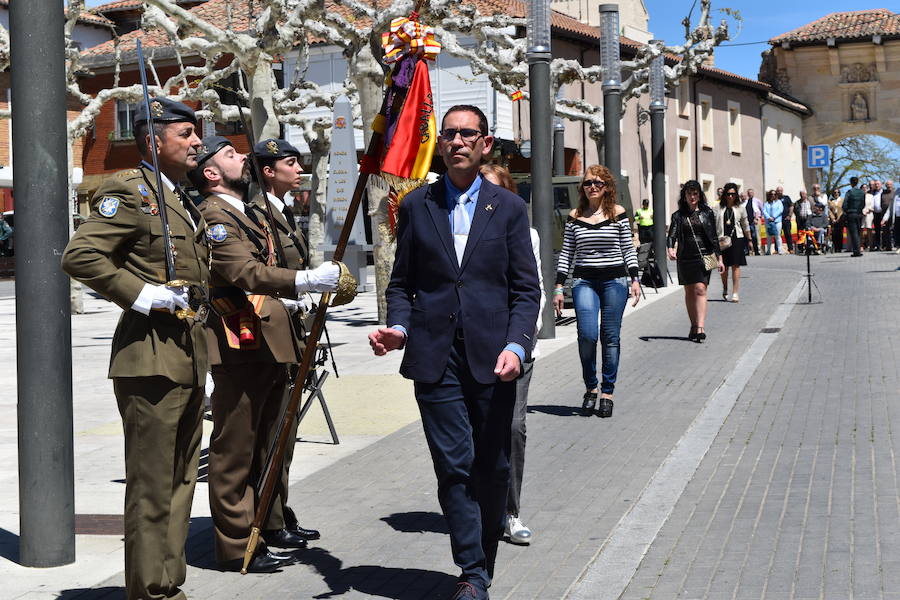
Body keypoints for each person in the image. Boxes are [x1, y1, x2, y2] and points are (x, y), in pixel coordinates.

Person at [368, 105, 540, 600]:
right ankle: (471, 573)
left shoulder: (508, 208)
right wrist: (398, 327)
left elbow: (525, 290)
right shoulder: (418, 205)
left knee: (492, 467)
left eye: (468, 134)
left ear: (486, 143)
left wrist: (516, 345)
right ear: (441, 144)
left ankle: (483, 556)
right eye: (450, 134)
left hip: (493, 358)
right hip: (435, 356)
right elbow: (401, 284)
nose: (458, 141)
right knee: (454, 465)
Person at [61, 98, 209, 600]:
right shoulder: (129, 192)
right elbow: (80, 254)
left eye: (196, 134)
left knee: (181, 479)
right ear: (154, 140)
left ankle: (169, 583)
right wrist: (145, 296)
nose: (196, 142)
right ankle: (150, 591)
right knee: (151, 484)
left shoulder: (181, 198)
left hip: (188, 353)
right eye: (185, 133)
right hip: (149, 357)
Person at [189, 136, 343, 572]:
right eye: (232, 156)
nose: (244, 159)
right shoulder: (215, 215)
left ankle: (264, 523)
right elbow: (243, 271)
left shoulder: (242, 213)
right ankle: (238, 544)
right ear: (212, 173)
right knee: (236, 448)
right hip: (238, 342)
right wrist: (306, 281)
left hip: (266, 340)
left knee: (268, 442)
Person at [250, 137, 321, 544]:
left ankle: (279, 508)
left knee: (285, 432)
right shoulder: (258, 215)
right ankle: (270, 517)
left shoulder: (285, 213)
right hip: (271, 335)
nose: (298, 169)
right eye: (290, 163)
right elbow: (258, 274)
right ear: (268, 171)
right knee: (273, 433)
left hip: (293, 333)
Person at [479, 163, 544, 546]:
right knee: (478, 428)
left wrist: (524, 338)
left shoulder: (526, 232)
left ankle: (509, 511)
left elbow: (530, 285)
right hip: (475, 343)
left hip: (516, 343)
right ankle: (480, 505)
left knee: (513, 427)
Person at [554, 164, 640, 417]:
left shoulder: (618, 213)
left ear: (607, 187)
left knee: (610, 337)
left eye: (598, 183)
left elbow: (627, 248)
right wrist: (558, 287)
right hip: (584, 282)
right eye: (588, 183)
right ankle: (591, 386)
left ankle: (607, 391)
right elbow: (567, 253)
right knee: (587, 336)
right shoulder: (574, 216)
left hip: (615, 281)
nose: (592, 187)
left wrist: (634, 279)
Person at [666, 180, 723, 342]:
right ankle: (693, 325)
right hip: (685, 256)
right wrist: (670, 248)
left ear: (700, 195)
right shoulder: (678, 216)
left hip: (705, 255)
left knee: (700, 289)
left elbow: (713, 237)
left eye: (695, 193)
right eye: (689, 193)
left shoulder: (707, 212)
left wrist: (719, 258)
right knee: (689, 291)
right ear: (684, 196)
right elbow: (672, 235)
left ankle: (700, 327)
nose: (692, 196)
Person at [714, 183, 751, 302]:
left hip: (737, 239)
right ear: (724, 194)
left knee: (736, 265)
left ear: (736, 195)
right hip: (722, 239)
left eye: (733, 194)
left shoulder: (740, 208)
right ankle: (725, 288)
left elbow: (745, 225)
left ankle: (735, 292)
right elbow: (713, 225)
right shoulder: (718, 208)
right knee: (723, 266)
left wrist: (749, 240)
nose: (730, 196)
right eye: (728, 194)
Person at [843, 176, 866, 257]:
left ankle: (856, 251)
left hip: (851, 213)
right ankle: (858, 249)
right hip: (859, 214)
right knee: (858, 232)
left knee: (854, 233)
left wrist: (846, 212)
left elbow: (844, 205)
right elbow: (863, 204)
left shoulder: (849, 192)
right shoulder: (862, 192)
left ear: (851, 183)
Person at [763, 189, 784, 255]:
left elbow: (780, 210)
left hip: (777, 221)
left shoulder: (779, 202)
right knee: (769, 236)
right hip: (768, 222)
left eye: (774, 194)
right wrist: (769, 217)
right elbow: (764, 211)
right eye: (771, 194)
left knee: (777, 236)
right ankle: (768, 250)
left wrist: (773, 217)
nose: (773, 195)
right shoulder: (766, 203)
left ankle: (780, 250)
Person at [879, 180, 897, 252]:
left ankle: (896, 244)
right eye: (887, 185)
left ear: (892, 185)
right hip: (884, 214)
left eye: (890, 184)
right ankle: (888, 246)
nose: (889, 186)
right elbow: (881, 203)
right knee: (886, 231)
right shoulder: (883, 193)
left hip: (893, 214)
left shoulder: (895, 193)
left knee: (894, 230)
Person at [744, 188, 762, 256]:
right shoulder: (746, 201)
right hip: (747, 221)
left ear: (753, 193)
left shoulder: (756, 201)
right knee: (748, 237)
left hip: (755, 220)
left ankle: (757, 250)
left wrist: (757, 218)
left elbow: (760, 210)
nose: (750, 194)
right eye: (749, 193)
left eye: (751, 192)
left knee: (756, 236)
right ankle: (748, 251)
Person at [776, 186, 794, 253]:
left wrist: (789, 215)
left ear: (782, 191)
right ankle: (777, 249)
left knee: (788, 234)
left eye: (780, 190)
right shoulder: (775, 199)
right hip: (777, 220)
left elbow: (791, 206)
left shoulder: (786, 198)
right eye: (778, 191)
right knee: (777, 235)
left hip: (786, 219)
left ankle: (790, 249)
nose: (779, 192)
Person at [829, 187, 844, 253]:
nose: (836, 193)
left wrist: (839, 218)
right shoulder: (830, 201)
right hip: (833, 220)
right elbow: (829, 211)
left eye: (837, 192)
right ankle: (835, 248)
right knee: (834, 234)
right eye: (835, 192)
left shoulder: (842, 200)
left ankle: (840, 248)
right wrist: (833, 218)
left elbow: (843, 210)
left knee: (840, 234)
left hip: (840, 219)